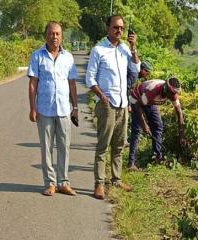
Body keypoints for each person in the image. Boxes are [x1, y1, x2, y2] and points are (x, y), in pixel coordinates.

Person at [85, 15, 140, 199]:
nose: (119, 31)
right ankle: (98, 184)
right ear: (108, 27)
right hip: (106, 104)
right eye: (116, 27)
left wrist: (133, 48)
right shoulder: (98, 50)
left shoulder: (125, 49)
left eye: (122, 28)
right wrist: (101, 96)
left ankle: (116, 179)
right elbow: (89, 79)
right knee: (103, 146)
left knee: (118, 146)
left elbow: (136, 70)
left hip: (122, 104)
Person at [28, 21, 78, 196]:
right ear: (45, 35)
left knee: (64, 147)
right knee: (46, 148)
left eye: (57, 34)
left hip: (64, 109)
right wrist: (32, 108)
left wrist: (76, 107)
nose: (54, 37)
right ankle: (50, 183)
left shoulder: (68, 57)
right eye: (51, 33)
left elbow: (72, 83)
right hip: (44, 109)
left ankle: (63, 182)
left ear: (61, 36)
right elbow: (33, 83)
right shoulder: (37, 56)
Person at [127, 77, 186, 170]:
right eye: (171, 94)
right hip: (137, 100)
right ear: (165, 89)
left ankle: (157, 157)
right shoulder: (153, 90)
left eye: (174, 94)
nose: (172, 97)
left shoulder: (173, 94)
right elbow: (138, 105)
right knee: (137, 130)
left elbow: (179, 113)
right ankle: (131, 163)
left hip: (149, 102)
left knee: (158, 126)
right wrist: (144, 125)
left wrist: (181, 134)